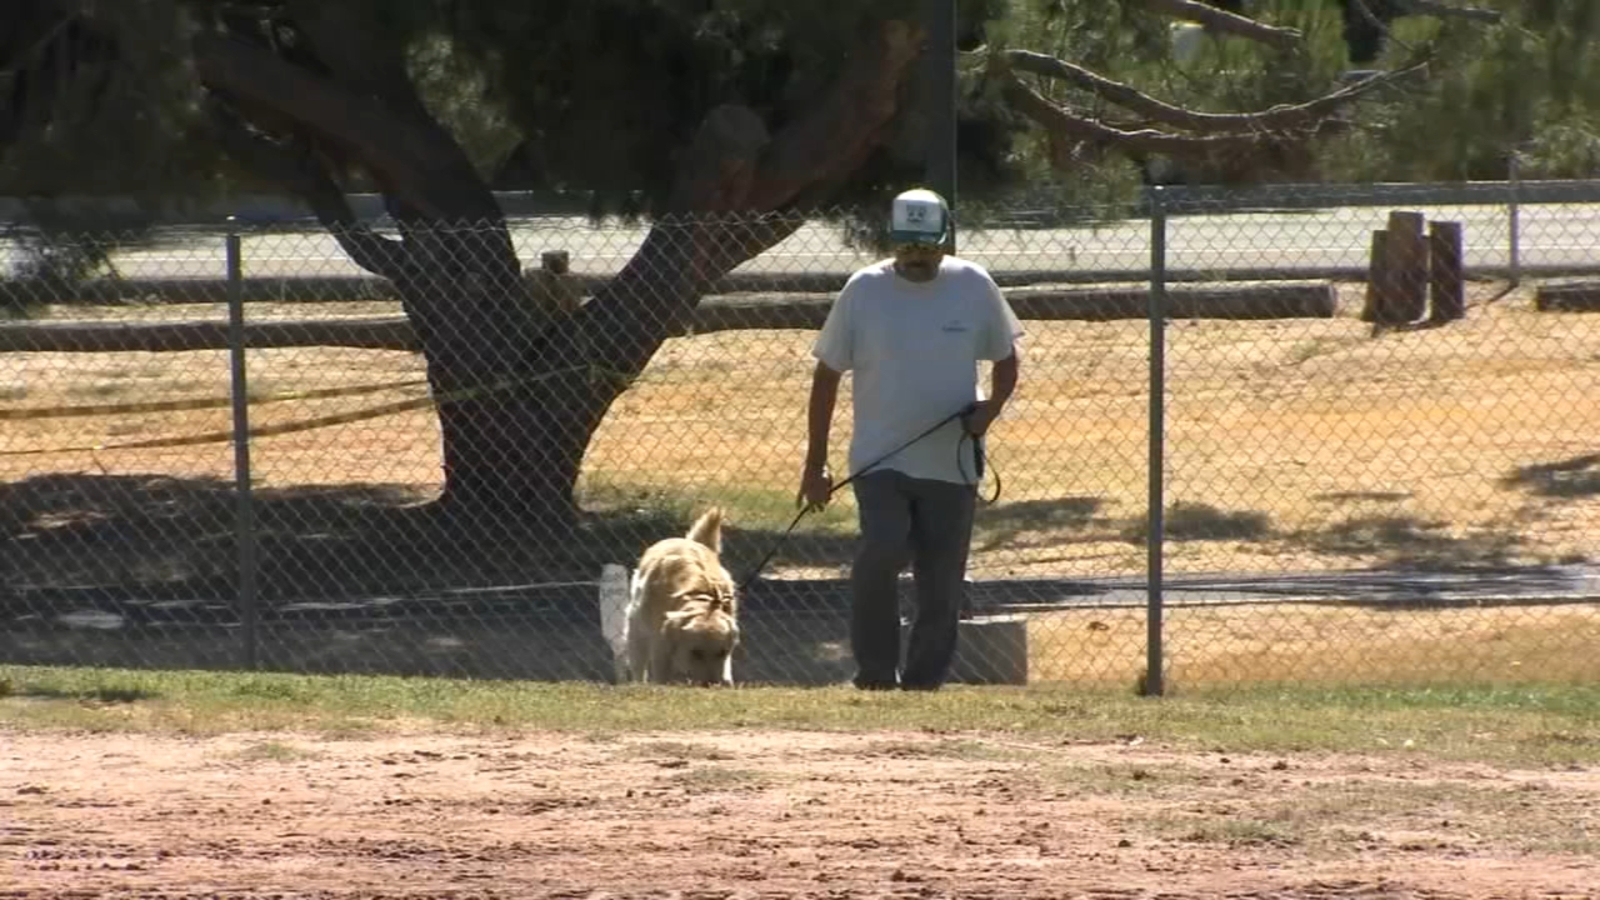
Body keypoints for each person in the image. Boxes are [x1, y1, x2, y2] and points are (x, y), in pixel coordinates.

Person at [797, 187, 1024, 691]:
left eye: (926, 246)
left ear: (944, 239)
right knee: (882, 547)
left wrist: (989, 412)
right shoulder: (863, 291)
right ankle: (875, 674)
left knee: (941, 583)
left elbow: (1005, 358)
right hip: (879, 462)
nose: (916, 257)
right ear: (892, 242)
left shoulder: (974, 285)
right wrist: (816, 465)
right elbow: (826, 374)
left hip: (953, 463)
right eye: (907, 246)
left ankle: (922, 685)